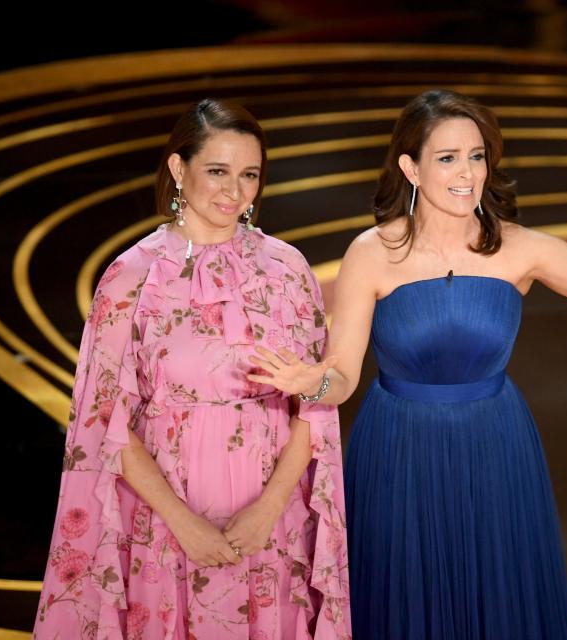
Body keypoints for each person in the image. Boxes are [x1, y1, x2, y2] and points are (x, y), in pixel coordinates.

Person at [247, 89, 567, 639]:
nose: (467, 173)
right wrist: (312, 383)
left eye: (476, 155)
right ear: (410, 168)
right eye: (447, 158)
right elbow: (341, 375)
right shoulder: (371, 252)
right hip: (398, 450)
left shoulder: (521, 248)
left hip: (497, 445)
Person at [34, 99, 351, 640]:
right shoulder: (129, 277)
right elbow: (105, 418)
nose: (235, 191)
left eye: (249, 174)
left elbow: (313, 403)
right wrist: (183, 522)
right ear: (180, 169)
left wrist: (269, 507)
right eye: (218, 171)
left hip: (271, 517)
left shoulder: (287, 268)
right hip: (165, 519)